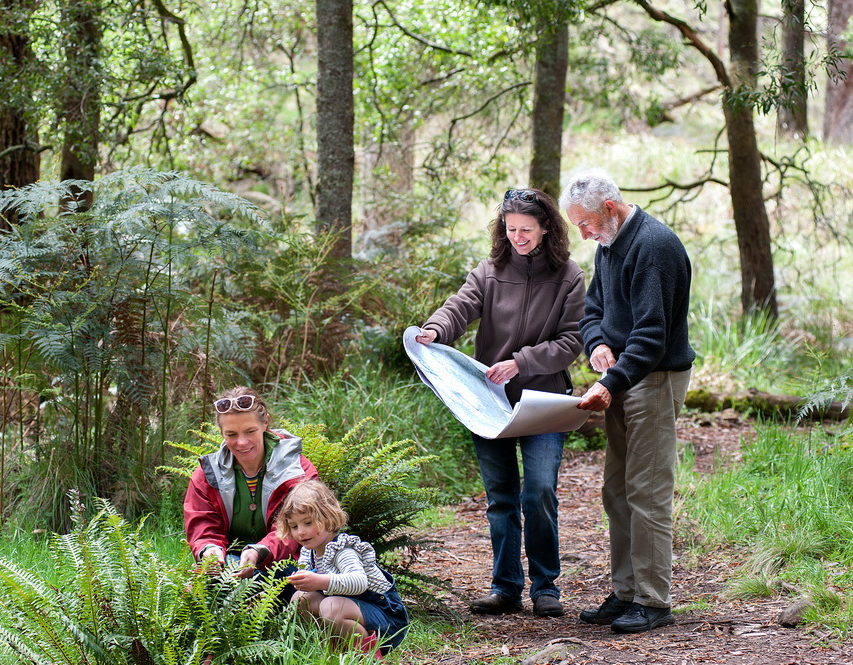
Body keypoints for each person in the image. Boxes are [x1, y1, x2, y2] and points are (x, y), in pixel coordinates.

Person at [416, 188, 586, 617]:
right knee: (501, 498)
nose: (518, 237)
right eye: (511, 229)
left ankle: (546, 588)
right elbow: (460, 305)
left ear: (547, 228)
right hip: (487, 402)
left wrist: (520, 362)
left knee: (540, 491)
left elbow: (573, 340)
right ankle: (506, 587)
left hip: (544, 400)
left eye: (526, 229)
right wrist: (435, 330)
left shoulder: (569, 276)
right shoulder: (489, 271)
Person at [560, 168, 694, 634]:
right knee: (615, 491)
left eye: (586, 224)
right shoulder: (609, 244)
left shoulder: (653, 247)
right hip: (620, 378)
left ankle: (654, 601)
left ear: (611, 209)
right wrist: (596, 342)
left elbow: (652, 335)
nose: (584, 233)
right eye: (578, 225)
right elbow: (593, 309)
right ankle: (626, 592)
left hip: (653, 380)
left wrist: (611, 381)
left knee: (647, 491)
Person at [183, 386, 318, 577]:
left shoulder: (298, 471)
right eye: (231, 434)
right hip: (228, 565)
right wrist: (209, 550)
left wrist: (259, 550)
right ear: (221, 433)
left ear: (265, 423)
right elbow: (203, 528)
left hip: (286, 567)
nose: (242, 442)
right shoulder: (206, 476)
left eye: (250, 431)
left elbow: (296, 531)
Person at [279, 479, 409, 659]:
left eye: (307, 523)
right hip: (354, 614)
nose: (300, 532)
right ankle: (333, 650)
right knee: (301, 599)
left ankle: (367, 656)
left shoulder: (342, 550)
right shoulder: (308, 553)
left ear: (327, 517)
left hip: (386, 621)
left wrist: (320, 581)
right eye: (294, 526)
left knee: (332, 606)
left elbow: (359, 582)